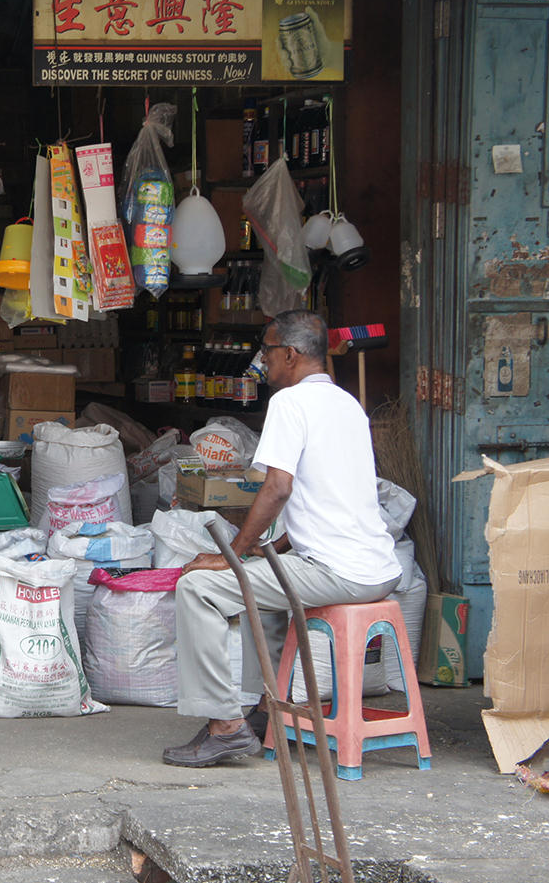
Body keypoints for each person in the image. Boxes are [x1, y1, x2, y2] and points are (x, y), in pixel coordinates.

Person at [163, 309, 402, 768]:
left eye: (268, 351)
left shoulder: (290, 404)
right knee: (265, 585)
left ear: (290, 355)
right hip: (376, 568)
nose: (262, 361)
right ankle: (265, 712)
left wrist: (231, 556)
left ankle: (224, 726)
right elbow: (329, 501)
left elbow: (278, 487)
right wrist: (258, 553)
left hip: (339, 572)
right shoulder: (347, 404)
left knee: (197, 587)